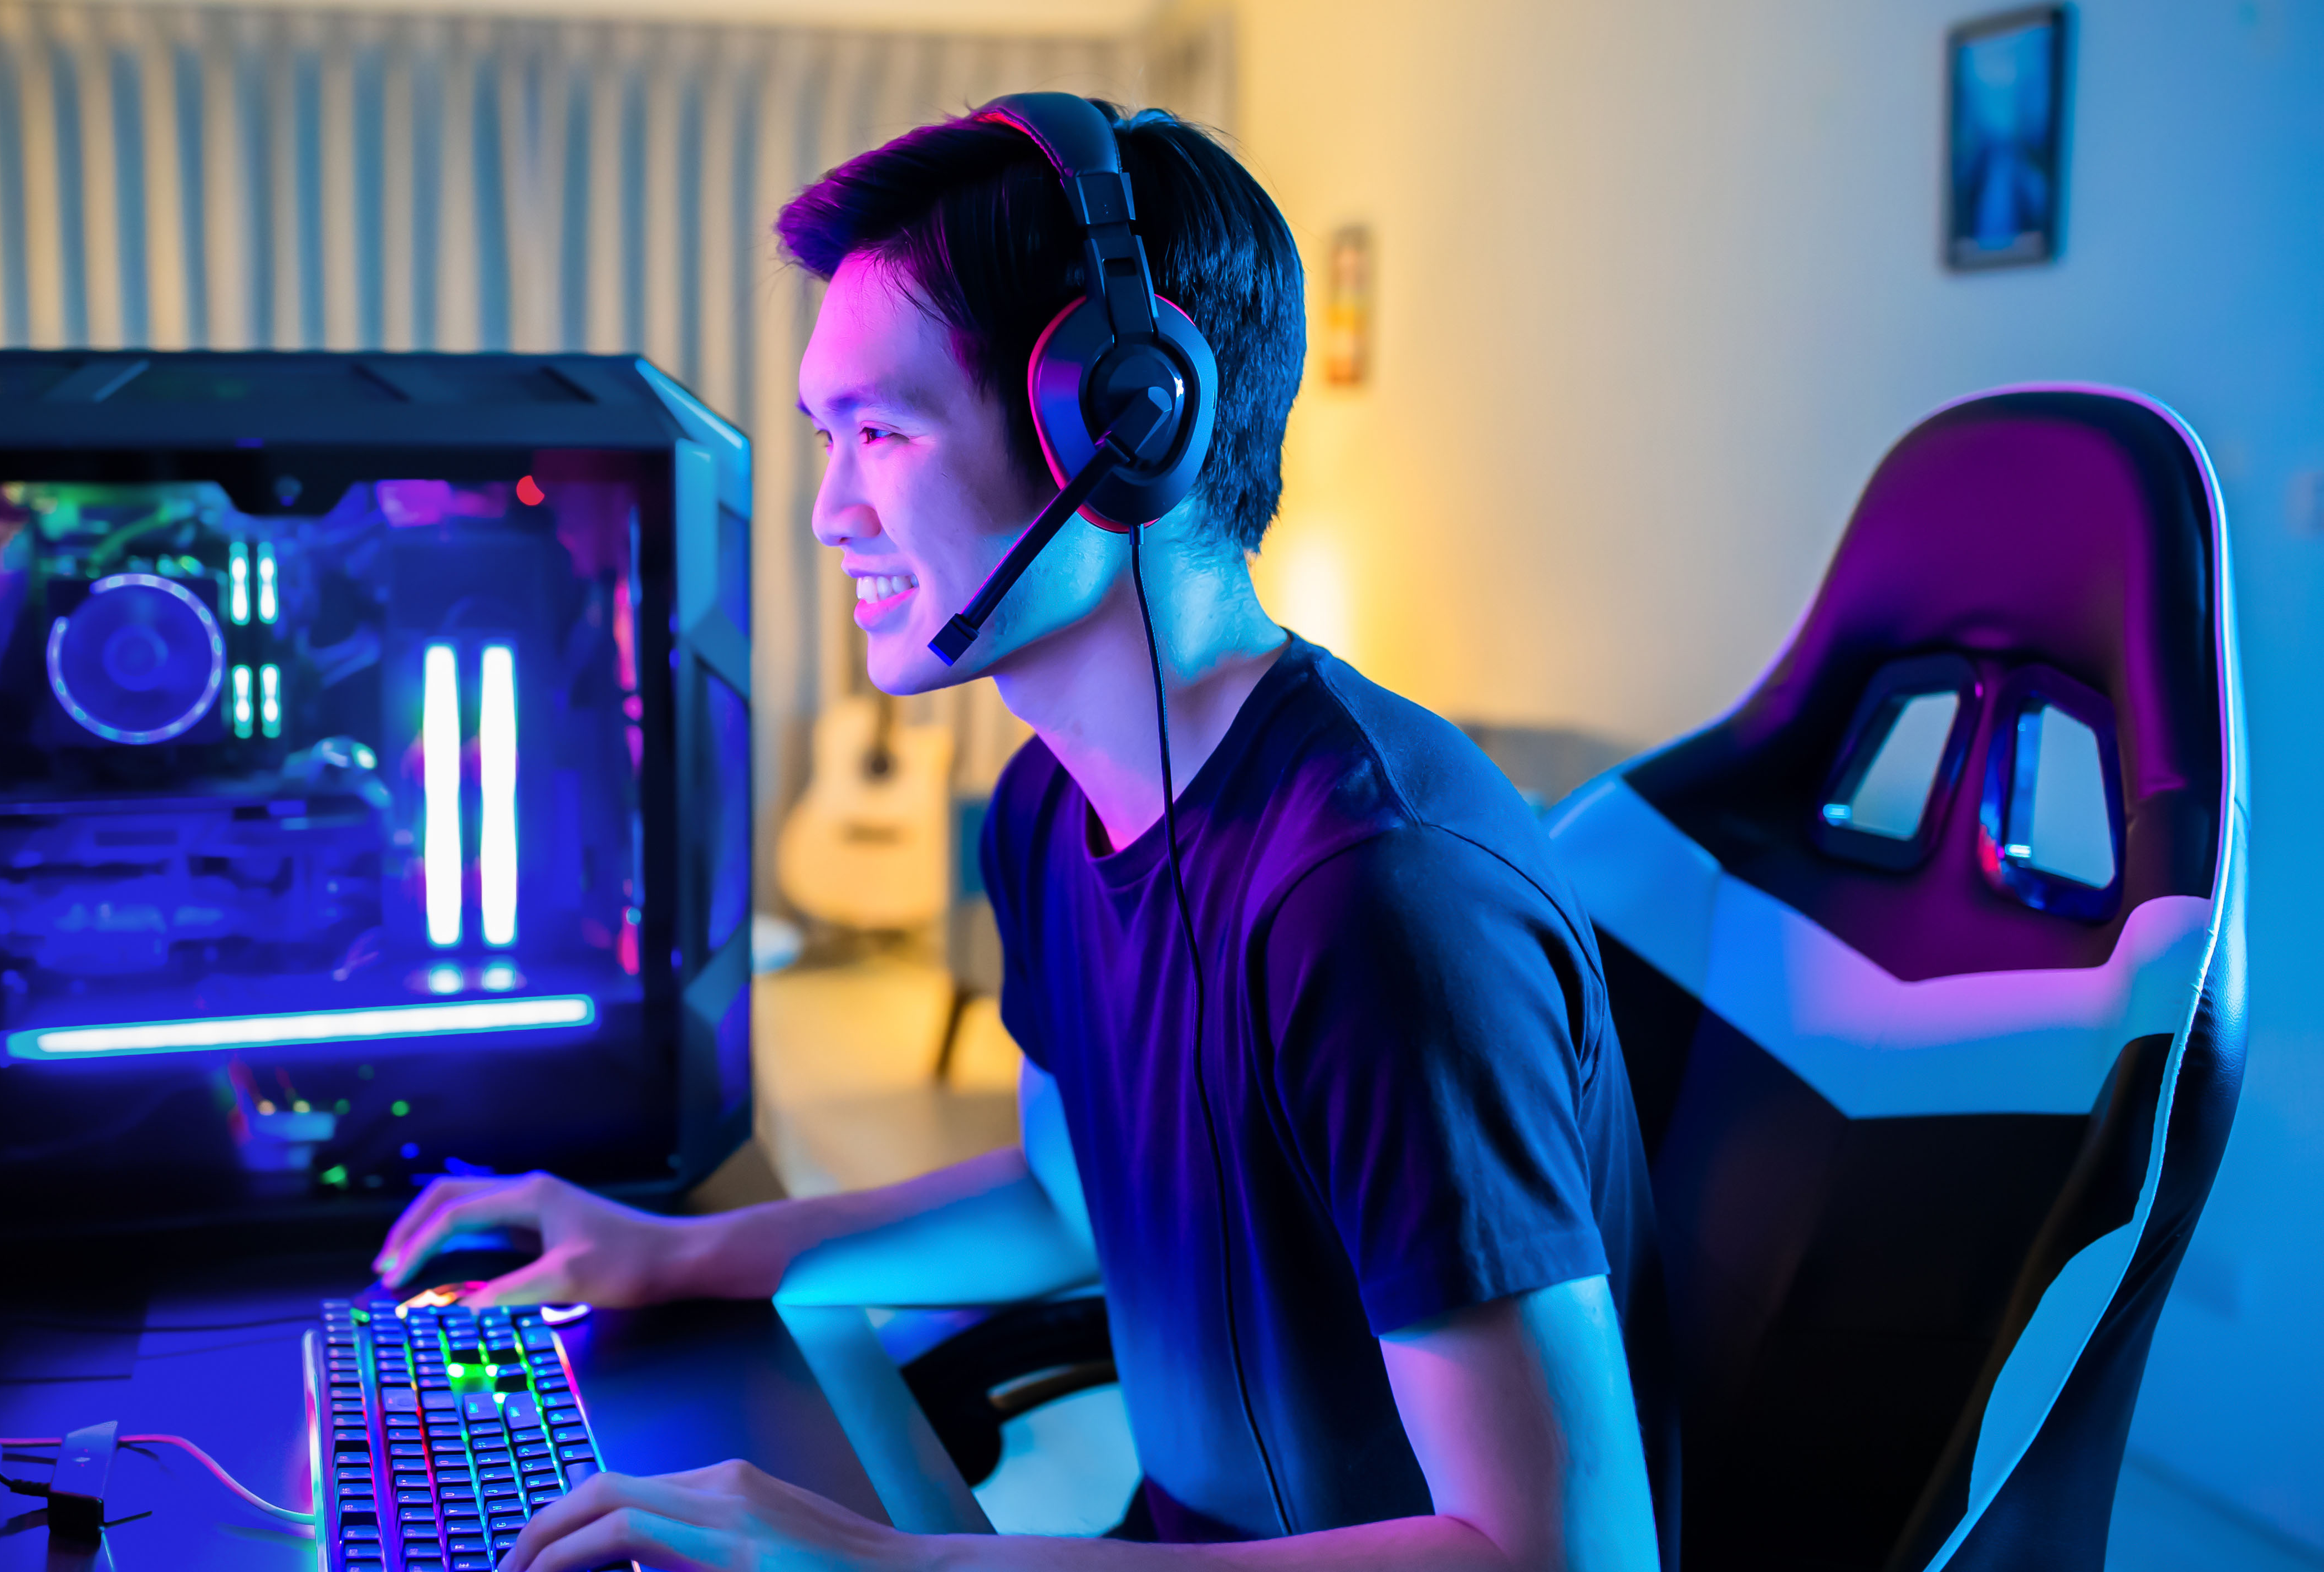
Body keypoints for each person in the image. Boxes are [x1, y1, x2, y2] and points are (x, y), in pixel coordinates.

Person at [375, 99, 1671, 1572]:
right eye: (825, 435)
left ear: (1118, 429)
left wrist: (904, 1565)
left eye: (880, 431)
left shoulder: (1376, 894)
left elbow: (1564, 1554)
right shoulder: (1052, 806)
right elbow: (1070, 1188)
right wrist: (673, 1252)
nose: (827, 512)